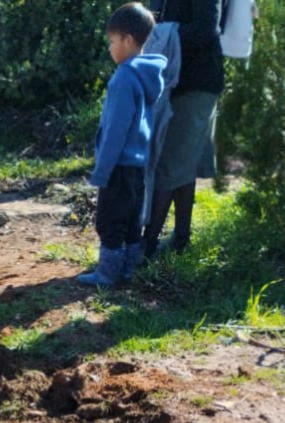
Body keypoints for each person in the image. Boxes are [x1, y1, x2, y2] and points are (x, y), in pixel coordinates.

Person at [77, 4, 166, 288]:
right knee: (130, 223)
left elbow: (117, 129)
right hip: (137, 165)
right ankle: (126, 273)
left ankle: (106, 275)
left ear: (128, 40)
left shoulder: (124, 78)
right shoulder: (146, 75)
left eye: (112, 42)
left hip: (118, 165)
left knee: (109, 222)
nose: (110, 49)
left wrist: (102, 171)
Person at [142, 0, 224, 257]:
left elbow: (206, 29)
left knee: (170, 165)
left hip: (196, 84)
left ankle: (146, 248)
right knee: (181, 166)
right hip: (172, 83)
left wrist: (158, 34)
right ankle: (180, 240)